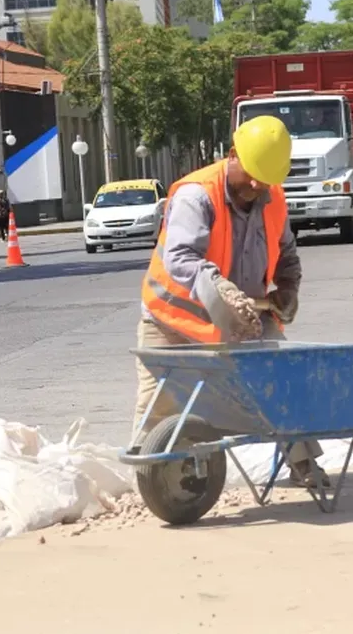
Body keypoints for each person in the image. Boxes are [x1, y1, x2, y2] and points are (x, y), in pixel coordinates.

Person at [134, 115, 328, 489]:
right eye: (253, 174)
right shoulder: (197, 194)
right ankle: (156, 483)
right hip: (173, 320)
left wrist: (287, 287)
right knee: (159, 406)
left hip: (242, 317)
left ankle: (304, 465)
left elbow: (287, 255)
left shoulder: (273, 198)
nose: (257, 185)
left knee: (281, 381)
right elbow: (180, 257)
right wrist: (216, 287)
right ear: (232, 154)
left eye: (266, 178)